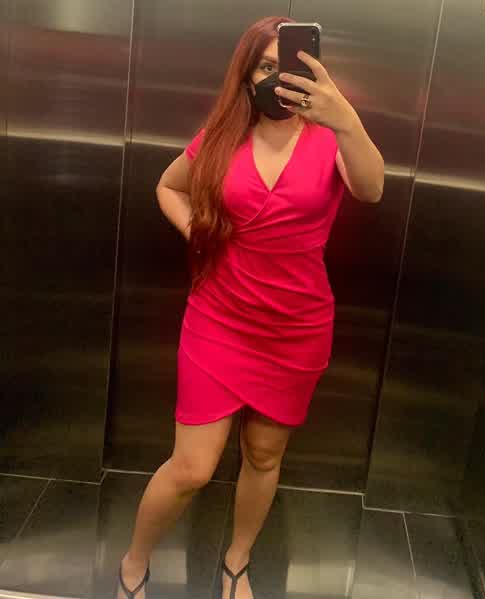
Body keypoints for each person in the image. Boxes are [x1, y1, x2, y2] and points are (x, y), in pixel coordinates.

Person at [116, 14, 383, 599]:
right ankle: (134, 562)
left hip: (296, 327)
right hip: (218, 318)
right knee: (192, 467)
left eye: (288, 65)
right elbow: (168, 186)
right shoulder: (221, 135)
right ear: (246, 74)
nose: (276, 77)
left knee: (263, 455)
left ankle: (237, 562)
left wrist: (346, 118)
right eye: (265, 65)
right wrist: (198, 232)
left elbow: (371, 189)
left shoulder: (331, 139)